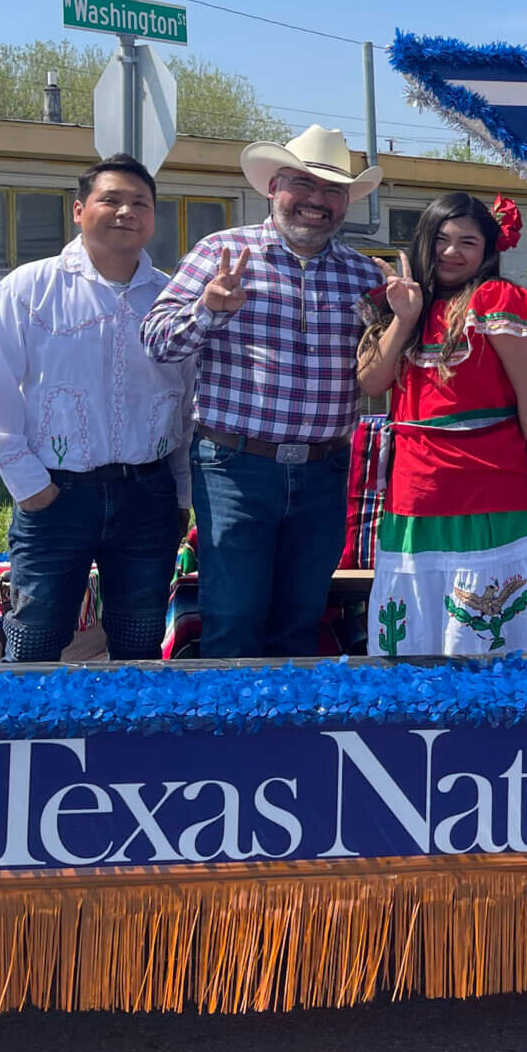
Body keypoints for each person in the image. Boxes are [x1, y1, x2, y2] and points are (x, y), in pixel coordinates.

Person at [142, 126, 383, 658]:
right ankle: (230, 740)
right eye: (303, 185)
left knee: (302, 621)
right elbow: (156, 341)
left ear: (346, 204)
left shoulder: (365, 276)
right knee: (233, 622)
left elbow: (383, 366)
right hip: (235, 467)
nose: (318, 201)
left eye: (333, 191)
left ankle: (288, 740)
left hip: (324, 470)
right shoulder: (222, 251)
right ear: (273, 187)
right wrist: (208, 310)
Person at [0, 154, 193, 662]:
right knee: (35, 639)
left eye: (140, 203)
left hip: (147, 495)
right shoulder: (29, 288)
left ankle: (129, 739)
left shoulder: (171, 298)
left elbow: (186, 403)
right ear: (78, 210)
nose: (125, 212)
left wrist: (179, 493)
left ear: (153, 217)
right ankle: (23, 738)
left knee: (139, 638)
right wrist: (30, 485)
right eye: (110, 199)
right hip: (57, 494)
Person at [355, 192, 527, 656]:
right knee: (415, 627)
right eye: (442, 240)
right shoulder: (398, 303)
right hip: (416, 493)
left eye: (467, 242)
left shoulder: (497, 301)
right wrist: (404, 318)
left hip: (490, 489)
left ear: (488, 251)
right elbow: (372, 381)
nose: (451, 252)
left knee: (491, 631)